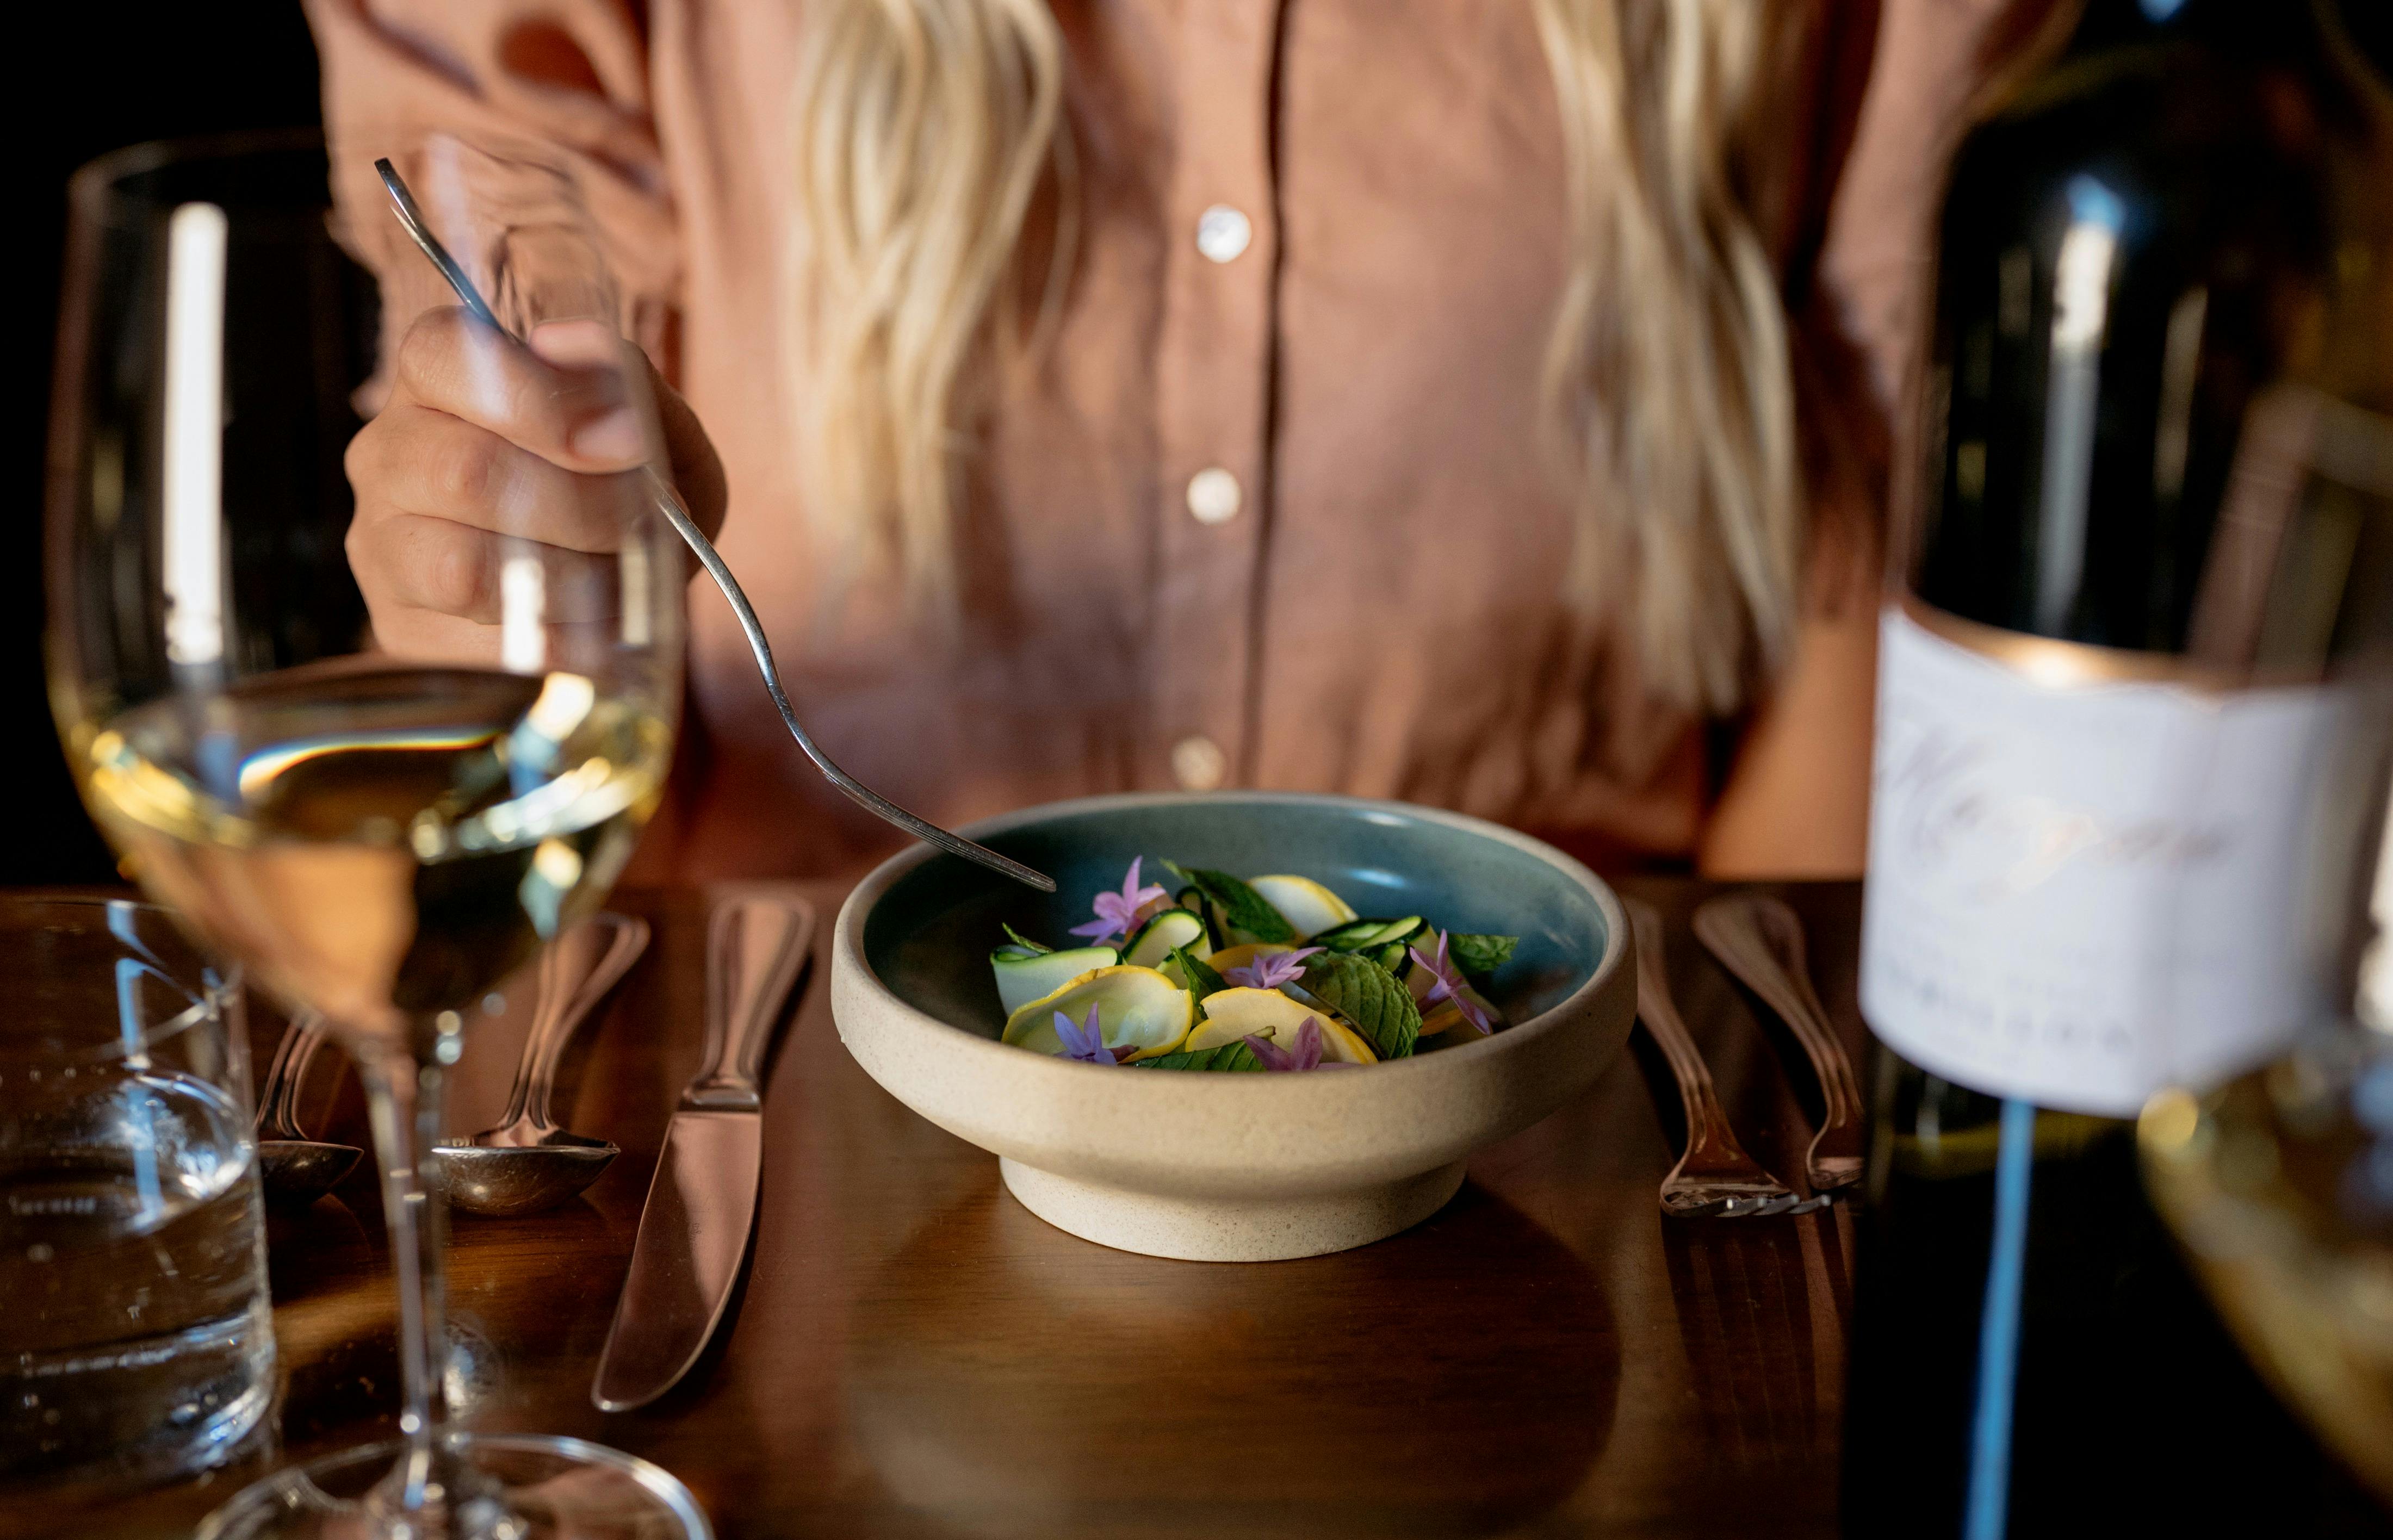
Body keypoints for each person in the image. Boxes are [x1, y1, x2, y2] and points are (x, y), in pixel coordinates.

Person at [305, 0, 2032, 883]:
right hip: (806, 1079)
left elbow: (1878, 589)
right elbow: (528, 719)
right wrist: (501, 559)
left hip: (1547, 1095)